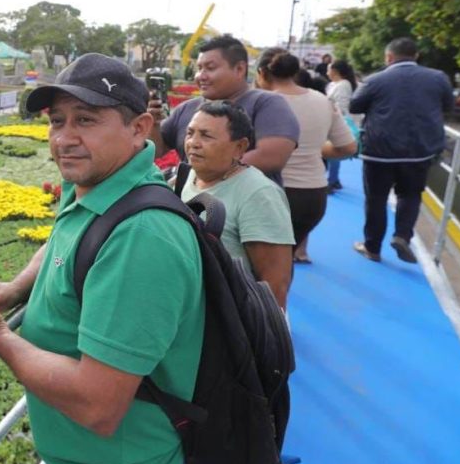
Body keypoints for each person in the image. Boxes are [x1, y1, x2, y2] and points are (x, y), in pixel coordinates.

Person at [0, 53, 204, 464]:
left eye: (85, 120)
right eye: (57, 121)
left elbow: (97, 405)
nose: (64, 138)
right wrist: (15, 289)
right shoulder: (94, 182)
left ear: (139, 128)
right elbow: (64, 238)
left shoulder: (141, 237)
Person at [349, 37, 453, 264]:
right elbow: (448, 106)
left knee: (376, 199)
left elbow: (354, 105)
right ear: (416, 56)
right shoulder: (438, 78)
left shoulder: (375, 79)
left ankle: (372, 248)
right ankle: (402, 236)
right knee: (410, 195)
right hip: (420, 151)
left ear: (388, 57)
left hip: (379, 151)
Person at [180, 101, 294, 307]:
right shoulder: (186, 176)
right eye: (190, 133)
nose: (193, 143)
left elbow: (275, 286)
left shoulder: (259, 195)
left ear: (239, 147)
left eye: (206, 136)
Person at [150, 34, 300, 185]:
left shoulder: (267, 103)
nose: (201, 76)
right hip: (190, 199)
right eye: (199, 68)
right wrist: (154, 123)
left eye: (210, 68)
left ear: (239, 69)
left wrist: (198, 174)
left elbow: (272, 157)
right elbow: (155, 151)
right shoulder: (187, 108)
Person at [255, 49, 357, 265]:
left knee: (260, 266)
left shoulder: (260, 102)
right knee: (284, 261)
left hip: (267, 194)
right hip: (311, 197)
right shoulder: (322, 100)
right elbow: (348, 147)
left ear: (262, 73)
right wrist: (313, 149)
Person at [325, 59, 359, 192]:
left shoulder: (343, 85)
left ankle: (332, 180)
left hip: (337, 122)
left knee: (333, 152)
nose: (327, 72)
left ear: (335, 71)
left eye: (328, 69)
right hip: (331, 120)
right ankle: (334, 179)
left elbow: (342, 107)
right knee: (332, 153)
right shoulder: (333, 84)